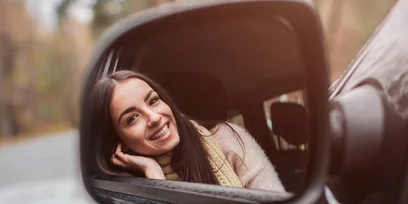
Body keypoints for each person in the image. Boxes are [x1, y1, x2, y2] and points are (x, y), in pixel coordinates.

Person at [88, 70, 285, 192]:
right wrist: (154, 174)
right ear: (118, 143)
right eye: (132, 118)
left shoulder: (228, 139)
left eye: (153, 100)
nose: (155, 118)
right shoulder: (128, 188)